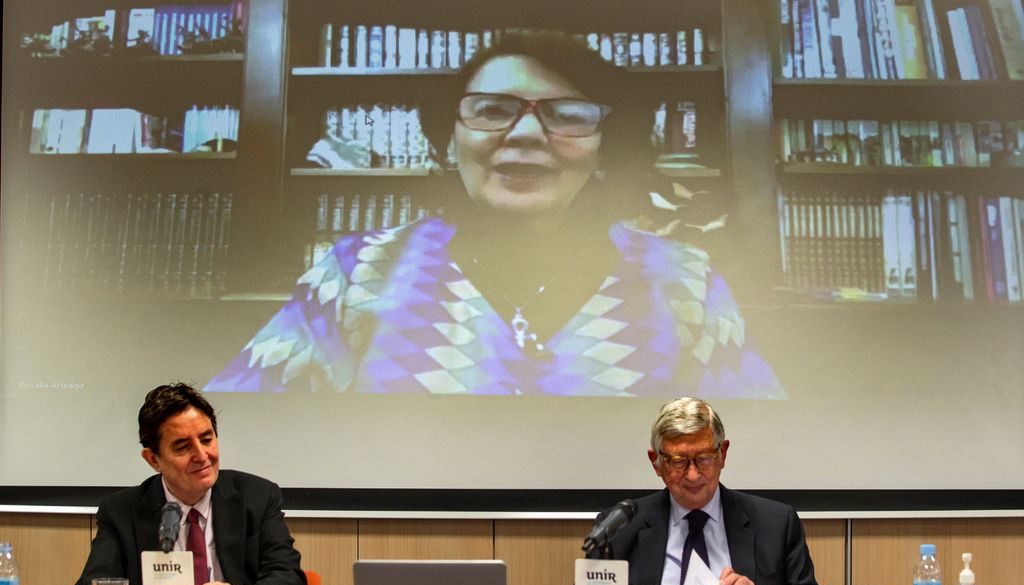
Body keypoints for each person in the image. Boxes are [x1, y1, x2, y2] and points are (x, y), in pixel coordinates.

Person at [207, 31, 784, 397]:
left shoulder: (687, 282)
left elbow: (754, 453)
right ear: (450, 141)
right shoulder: (358, 271)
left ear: (606, 150)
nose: (527, 134)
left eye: (569, 115)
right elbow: (237, 437)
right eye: (491, 111)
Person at [552, 397, 829, 585]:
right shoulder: (620, 527)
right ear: (656, 462)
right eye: (678, 461)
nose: (693, 475)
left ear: (723, 454)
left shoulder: (775, 524)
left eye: (704, 458)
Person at [72, 383, 306, 585]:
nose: (202, 456)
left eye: (207, 440)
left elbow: (288, 576)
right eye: (183, 447)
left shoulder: (257, 497)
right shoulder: (120, 511)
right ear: (153, 459)